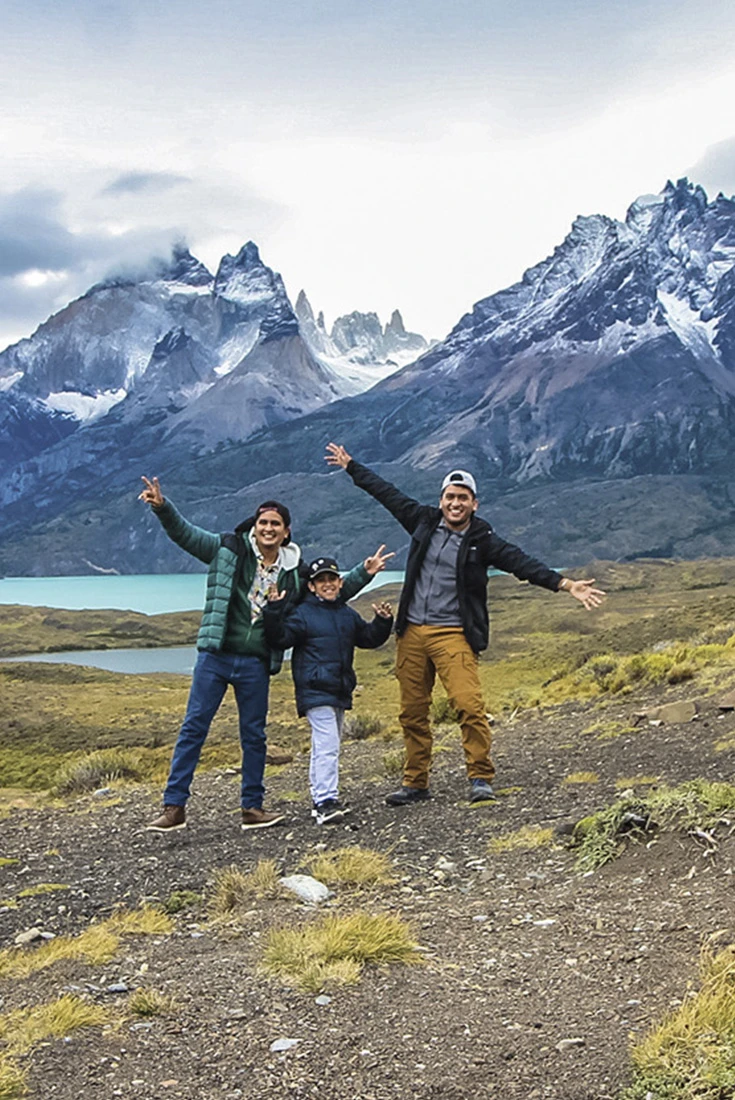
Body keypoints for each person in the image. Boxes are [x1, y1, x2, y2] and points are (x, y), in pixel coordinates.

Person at [325, 444, 605, 806]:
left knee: (468, 705)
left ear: (474, 504)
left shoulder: (483, 540)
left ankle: (480, 777)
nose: (455, 503)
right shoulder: (422, 520)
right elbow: (387, 493)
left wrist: (566, 584)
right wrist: (352, 467)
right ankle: (416, 782)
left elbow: (522, 564)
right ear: (441, 500)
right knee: (412, 712)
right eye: (449, 497)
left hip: (452, 633)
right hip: (410, 632)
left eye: (463, 498)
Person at [139, 476, 392, 831]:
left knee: (254, 734)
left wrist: (363, 573)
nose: (268, 529)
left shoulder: (292, 572)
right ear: (255, 528)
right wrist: (163, 508)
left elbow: (327, 591)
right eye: (263, 523)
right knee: (194, 727)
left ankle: (252, 808)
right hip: (216, 654)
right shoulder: (228, 548)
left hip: (256, 661)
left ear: (286, 532)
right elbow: (186, 534)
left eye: (275, 524)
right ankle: (174, 807)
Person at [263, 556, 393, 825]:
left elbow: (367, 638)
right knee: (328, 745)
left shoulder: (346, 613)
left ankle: (319, 798)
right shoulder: (302, 614)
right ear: (311, 586)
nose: (327, 584)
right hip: (315, 689)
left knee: (325, 745)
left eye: (331, 579)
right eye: (321, 580)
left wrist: (382, 622)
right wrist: (273, 610)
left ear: (340, 582)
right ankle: (325, 801)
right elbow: (281, 638)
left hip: (339, 688)